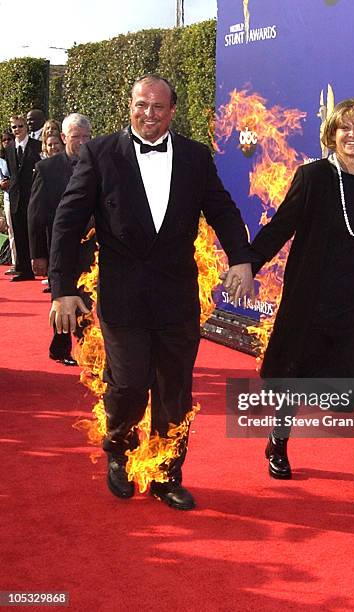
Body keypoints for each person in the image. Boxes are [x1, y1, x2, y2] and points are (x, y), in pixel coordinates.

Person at [48, 74, 254, 510]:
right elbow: (67, 223)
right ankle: (119, 448)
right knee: (127, 384)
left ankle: (165, 472)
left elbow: (222, 209)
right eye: (142, 105)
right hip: (123, 297)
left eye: (159, 107)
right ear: (130, 106)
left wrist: (241, 258)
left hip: (177, 298)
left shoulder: (196, 157)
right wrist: (62, 288)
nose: (149, 115)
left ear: (172, 111)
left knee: (174, 390)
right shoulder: (100, 154)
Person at [251, 98, 354, 519]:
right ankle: (278, 440)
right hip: (316, 301)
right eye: (344, 128)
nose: (352, 135)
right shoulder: (314, 177)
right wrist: (246, 263)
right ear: (331, 135)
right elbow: (281, 226)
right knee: (298, 376)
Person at [29, 113, 94, 366]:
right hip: (60, 248)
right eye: (76, 137)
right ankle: (60, 346)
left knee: (86, 298)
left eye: (86, 137)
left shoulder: (98, 165)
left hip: (90, 248)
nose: (81, 142)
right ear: (64, 137)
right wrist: (38, 254)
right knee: (62, 297)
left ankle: (88, 348)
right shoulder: (47, 169)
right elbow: (35, 215)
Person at [5, 115, 42, 281]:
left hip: (33, 196)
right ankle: (23, 269)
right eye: (14, 128)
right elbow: (12, 173)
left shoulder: (37, 146)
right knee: (18, 233)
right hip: (15, 197)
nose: (17, 130)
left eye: (20, 126)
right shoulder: (9, 148)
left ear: (26, 127)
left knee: (33, 232)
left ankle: (39, 267)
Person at [0, 131, 16, 273]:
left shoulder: (20, 154)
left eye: (8, 139)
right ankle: (16, 262)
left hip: (23, 197)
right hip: (8, 197)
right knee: (11, 230)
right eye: (4, 140)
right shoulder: (1, 160)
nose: (6, 142)